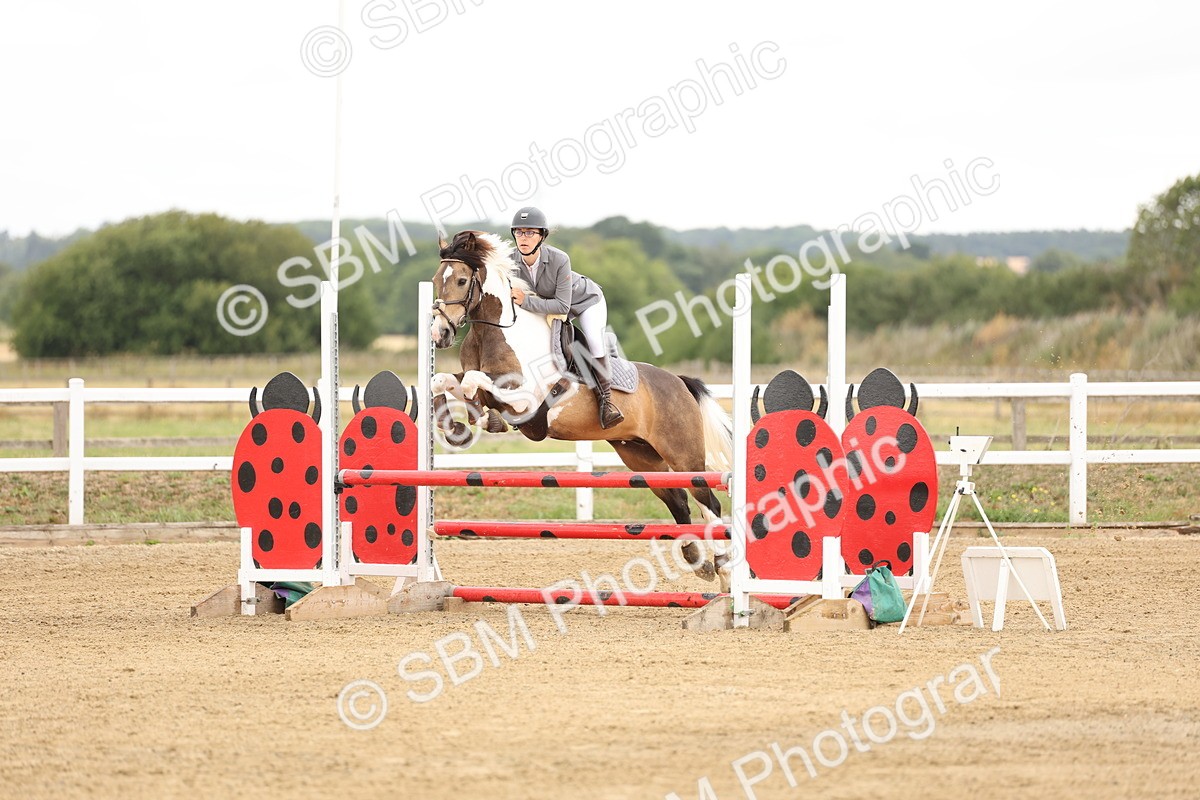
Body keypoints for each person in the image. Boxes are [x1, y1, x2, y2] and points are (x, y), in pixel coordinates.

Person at [507, 206, 624, 429]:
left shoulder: (559, 259)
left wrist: (525, 301)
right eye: (519, 232)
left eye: (530, 232)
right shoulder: (510, 261)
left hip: (585, 301)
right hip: (549, 308)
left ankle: (606, 403)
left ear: (542, 236)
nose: (523, 237)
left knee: (594, 343)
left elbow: (562, 305)